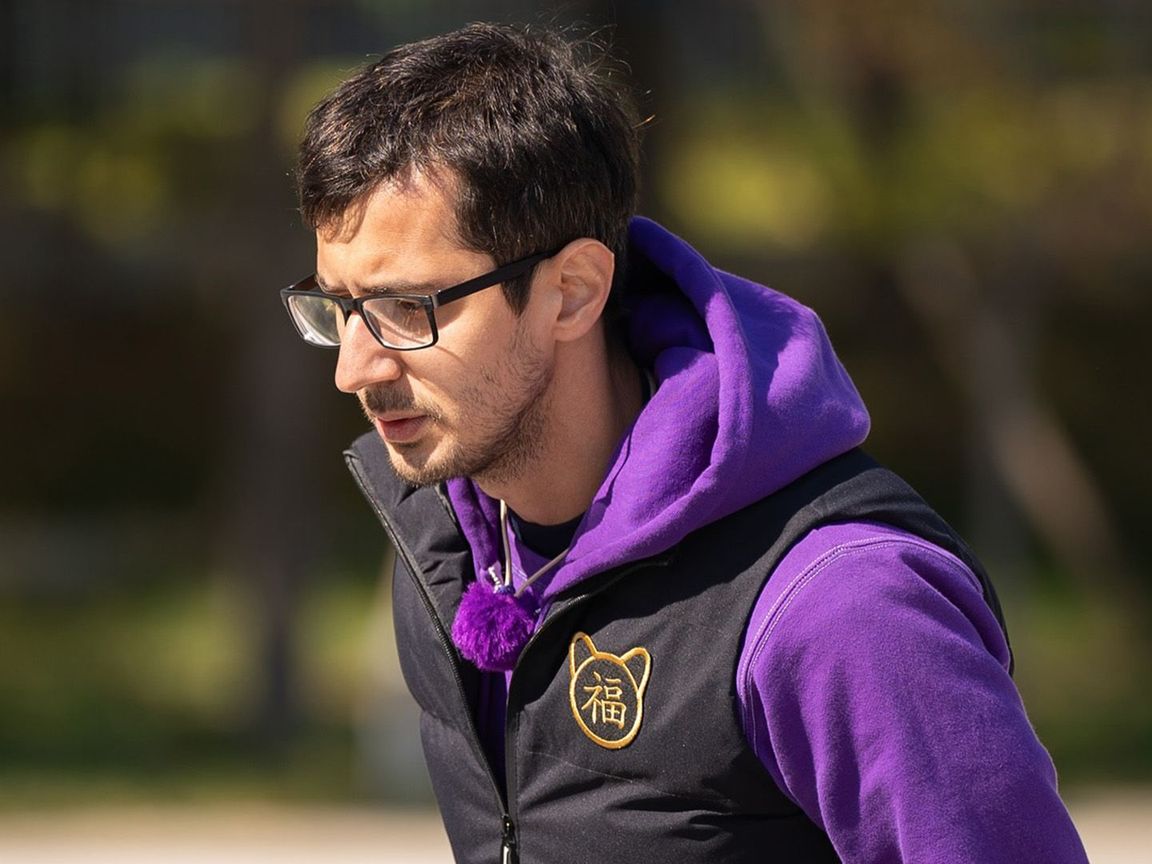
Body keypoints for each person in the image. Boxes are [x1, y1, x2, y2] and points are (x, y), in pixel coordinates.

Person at [279, 22, 1089, 864]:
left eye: (407, 308)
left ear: (572, 292)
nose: (353, 368)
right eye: (339, 308)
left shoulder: (843, 607)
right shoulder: (451, 553)